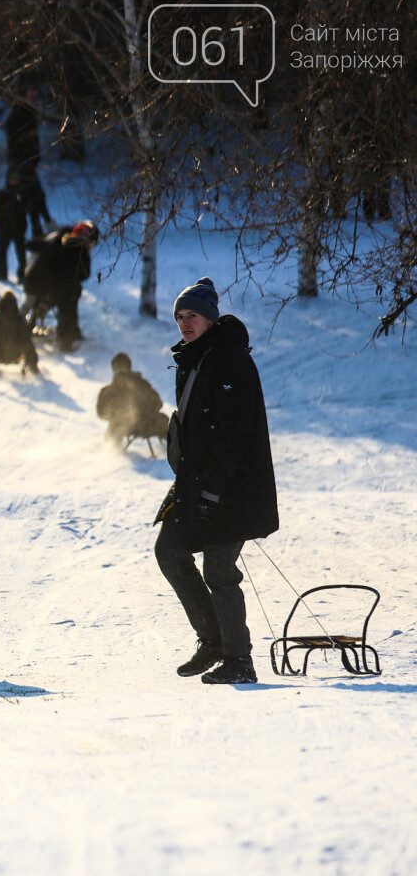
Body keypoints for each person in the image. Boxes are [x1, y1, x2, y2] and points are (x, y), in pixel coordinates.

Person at [154, 278, 278, 685]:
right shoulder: (197, 358)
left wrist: (212, 488)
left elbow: (236, 434)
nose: (185, 323)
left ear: (210, 318)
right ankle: (213, 640)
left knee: (220, 570)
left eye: (193, 316)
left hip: (233, 488)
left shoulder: (228, 361)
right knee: (169, 550)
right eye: (179, 317)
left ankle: (239, 660)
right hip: (198, 483)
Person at [23, 220, 98, 349]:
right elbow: (78, 274)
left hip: (45, 281)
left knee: (41, 305)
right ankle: (64, 341)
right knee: (62, 306)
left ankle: (68, 334)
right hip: (44, 283)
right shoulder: (74, 250)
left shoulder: (62, 242)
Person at [96, 352, 166, 447]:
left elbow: (101, 414)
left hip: (119, 427)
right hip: (146, 426)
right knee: (165, 420)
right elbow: (158, 403)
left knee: (109, 436)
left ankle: (112, 453)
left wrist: (115, 415)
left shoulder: (107, 391)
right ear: (129, 367)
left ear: (113, 369)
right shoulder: (142, 384)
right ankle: (172, 450)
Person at [0, 290, 39, 376]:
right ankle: (32, 365)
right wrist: (34, 318)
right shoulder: (19, 321)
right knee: (27, 341)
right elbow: (27, 333)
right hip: (16, 354)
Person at [0, 171, 30, 283]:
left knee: (21, 252)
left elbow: (28, 209)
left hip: (19, 228)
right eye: (11, 179)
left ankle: (22, 275)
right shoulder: (2, 194)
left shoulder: (22, 194)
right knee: (1, 251)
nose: (13, 181)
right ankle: (2, 274)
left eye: (15, 179)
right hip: (4, 228)